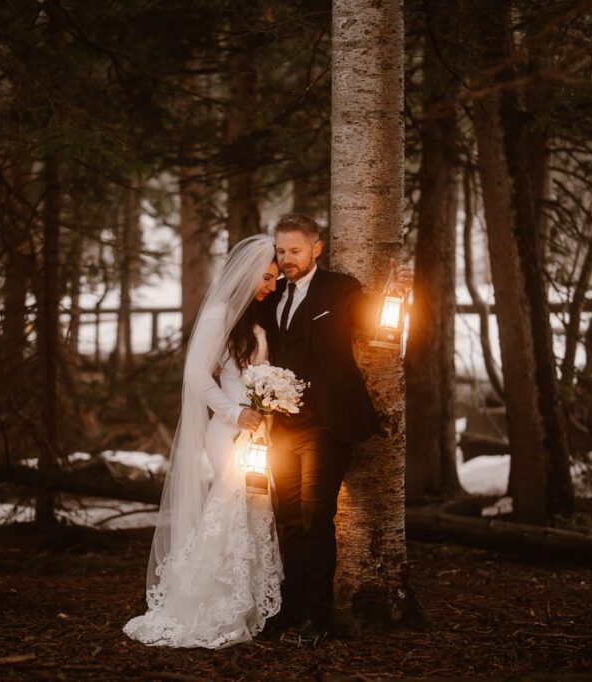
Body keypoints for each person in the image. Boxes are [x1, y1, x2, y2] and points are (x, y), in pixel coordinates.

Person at [124, 233, 284, 649]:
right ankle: (208, 607)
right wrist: (235, 413)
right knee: (229, 515)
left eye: (275, 278)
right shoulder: (218, 315)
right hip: (228, 430)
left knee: (249, 515)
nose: (271, 285)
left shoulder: (254, 320)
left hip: (256, 431)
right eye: (266, 277)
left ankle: (242, 605)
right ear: (247, 275)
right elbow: (195, 377)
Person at [260, 213, 413, 645]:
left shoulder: (340, 289)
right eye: (281, 251)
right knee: (286, 519)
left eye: (295, 250)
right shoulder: (272, 297)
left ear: (316, 249)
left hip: (326, 426)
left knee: (315, 518)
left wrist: (396, 293)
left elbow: (374, 327)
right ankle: (288, 610)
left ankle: (318, 616)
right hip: (282, 428)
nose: (287, 259)